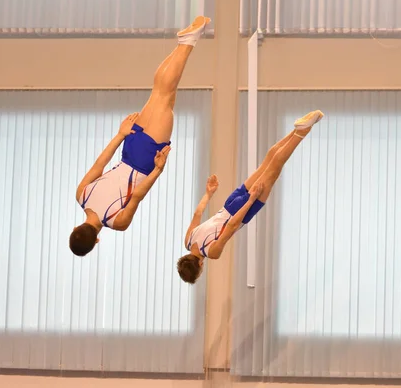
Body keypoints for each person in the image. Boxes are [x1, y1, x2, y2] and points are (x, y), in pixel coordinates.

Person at [70, 16, 211, 257]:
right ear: (76, 227)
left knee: (165, 96)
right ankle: (182, 44)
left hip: (145, 162)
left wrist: (158, 170)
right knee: (160, 93)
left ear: (96, 242)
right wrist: (120, 134)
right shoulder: (81, 194)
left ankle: (188, 42)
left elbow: (137, 195)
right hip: (128, 148)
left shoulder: (117, 222)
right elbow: (100, 164)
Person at [177, 110, 324, 283]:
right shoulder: (188, 241)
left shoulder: (211, 252)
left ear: (200, 266)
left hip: (241, 211)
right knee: (267, 162)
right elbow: (197, 214)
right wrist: (209, 193)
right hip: (228, 204)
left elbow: (232, 226)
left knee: (274, 167)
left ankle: (302, 132)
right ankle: (296, 130)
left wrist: (251, 200)